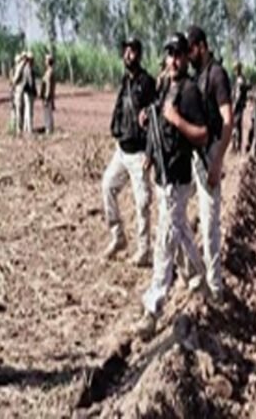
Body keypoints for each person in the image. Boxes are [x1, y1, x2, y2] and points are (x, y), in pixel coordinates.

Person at [135, 33, 209, 339]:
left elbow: (202, 134)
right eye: (169, 54)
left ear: (186, 57)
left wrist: (177, 119)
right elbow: (157, 121)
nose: (174, 60)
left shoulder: (190, 92)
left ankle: (153, 307)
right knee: (178, 230)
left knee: (165, 240)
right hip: (161, 174)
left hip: (178, 176)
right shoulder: (165, 85)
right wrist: (150, 151)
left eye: (178, 54)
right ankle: (199, 276)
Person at [186, 25, 233, 300]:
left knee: (209, 224)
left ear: (202, 46)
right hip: (194, 153)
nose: (188, 55)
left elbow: (228, 120)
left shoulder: (217, 75)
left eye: (190, 49)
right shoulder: (197, 76)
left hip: (210, 152)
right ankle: (194, 272)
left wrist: (217, 161)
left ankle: (215, 287)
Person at [101, 38, 157, 266]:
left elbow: (155, 118)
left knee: (142, 202)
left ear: (139, 55)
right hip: (122, 151)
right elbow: (119, 109)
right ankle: (118, 236)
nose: (127, 55)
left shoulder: (147, 82)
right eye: (125, 51)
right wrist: (115, 130)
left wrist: (150, 153)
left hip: (139, 154)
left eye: (132, 51)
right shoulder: (125, 81)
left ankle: (143, 250)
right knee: (107, 186)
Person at [230, 62, 250, 154]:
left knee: (236, 126)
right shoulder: (241, 79)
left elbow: (238, 95)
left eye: (235, 69)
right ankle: (236, 146)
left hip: (238, 106)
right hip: (239, 106)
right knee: (237, 126)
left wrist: (234, 106)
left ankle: (236, 147)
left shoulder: (240, 80)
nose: (235, 71)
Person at [41, 54, 55, 135]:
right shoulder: (49, 71)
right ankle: (49, 129)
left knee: (47, 114)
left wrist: (46, 97)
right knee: (48, 113)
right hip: (49, 96)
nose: (44, 61)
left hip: (47, 97)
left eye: (45, 60)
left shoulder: (49, 72)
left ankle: (48, 130)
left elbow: (48, 86)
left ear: (48, 61)